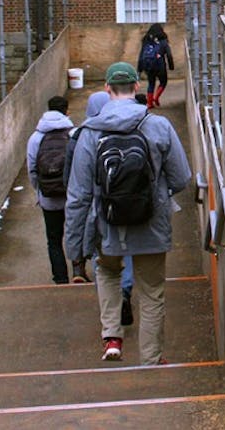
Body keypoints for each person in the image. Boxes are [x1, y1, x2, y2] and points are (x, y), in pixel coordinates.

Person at [65, 62, 190, 364]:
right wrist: (156, 193)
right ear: (136, 87)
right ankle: (150, 360)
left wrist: (74, 248)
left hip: (108, 225)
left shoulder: (90, 133)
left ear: (107, 89)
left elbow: (78, 195)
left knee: (107, 271)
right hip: (151, 224)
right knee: (152, 292)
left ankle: (112, 336)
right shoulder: (158, 126)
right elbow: (181, 178)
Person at [63, 89, 135, 324]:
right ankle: (126, 289)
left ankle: (111, 313)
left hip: (99, 208)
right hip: (128, 202)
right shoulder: (129, 128)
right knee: (128, 248)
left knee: (101, 255)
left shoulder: (81, 137)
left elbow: (74, 184)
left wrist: (74, 248)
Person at [26, 96, 86, 284]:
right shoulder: (74, 133)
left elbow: (32, 170)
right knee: (76, 234)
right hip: (73, 196)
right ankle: (78, 271)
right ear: (66, 111)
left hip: (49, 199)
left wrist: (41, 191)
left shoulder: (35, 138)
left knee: (54, 240)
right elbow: (82, 164)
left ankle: (60, 279)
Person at [137, 23, 174, 109]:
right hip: (160, 65)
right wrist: (171, 66)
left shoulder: (146, 40)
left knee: (151, 83)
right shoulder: (163, 40)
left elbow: (141, 54)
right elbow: (169, 54)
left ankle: (150, 103)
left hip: (148, 65)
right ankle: (156, 97)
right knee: (163, 82)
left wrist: (139, 68)